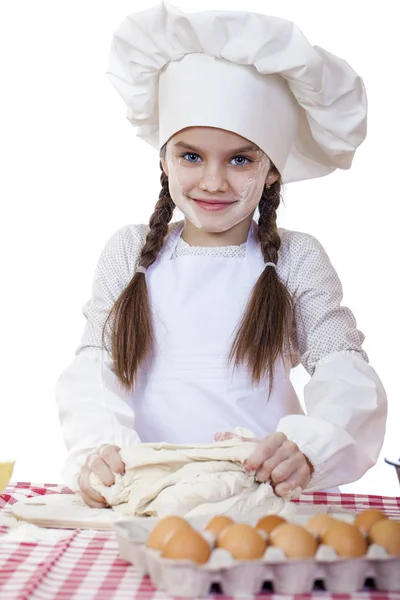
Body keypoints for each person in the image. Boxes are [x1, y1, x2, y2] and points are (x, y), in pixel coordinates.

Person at [56, 1, 387, 509]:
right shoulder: (129, 253)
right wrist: (96, 452)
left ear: (273, 169)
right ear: (163, 159)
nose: (213, 181)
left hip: (262, 498)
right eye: (191, 155)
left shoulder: (297, 259)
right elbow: (95, 369)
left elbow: (344, 369)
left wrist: (311, 447)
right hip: (150, 498)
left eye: (240, 159)